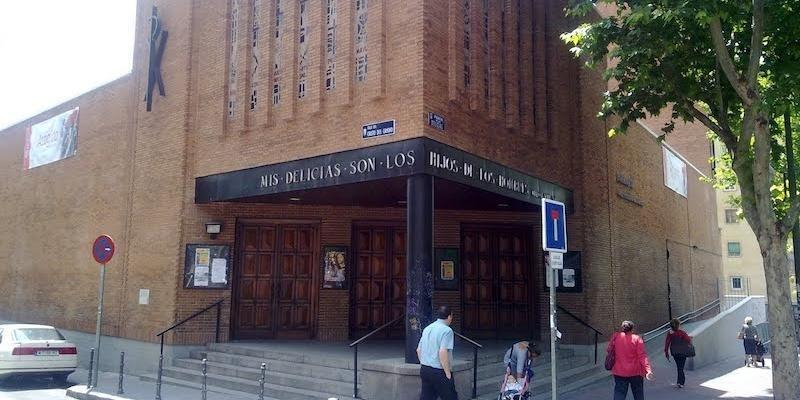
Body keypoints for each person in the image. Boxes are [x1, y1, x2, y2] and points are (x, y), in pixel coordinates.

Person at [417, 306, 458, 400]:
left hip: (425, 369)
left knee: (427, 397)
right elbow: (443, 352)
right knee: (450, 396)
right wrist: (448, 373)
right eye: (451, 316)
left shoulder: (427, 328)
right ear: (449, 316)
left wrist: (424, 363)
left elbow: (419, 349)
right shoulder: (447, 331)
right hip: (439, 371)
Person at [609, 320, 653, 400]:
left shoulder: (615, 337)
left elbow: (609, 350)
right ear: (632, 329)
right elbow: (642, 356)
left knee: (619, 393)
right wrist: (648, 369)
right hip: (636, 372)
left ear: (622, 328)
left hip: (619, 371)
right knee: (638, 394)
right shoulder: (637, 339)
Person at [664, 319, 692, 388]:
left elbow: (667, 343)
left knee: (679, 367)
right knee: (681, 367)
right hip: (682, 352)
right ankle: (681, 382)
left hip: (675, 352)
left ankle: (679, 382)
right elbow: (688, 340)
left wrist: (666, 353)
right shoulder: (682, 332)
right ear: (678, 325)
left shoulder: (670, 333)